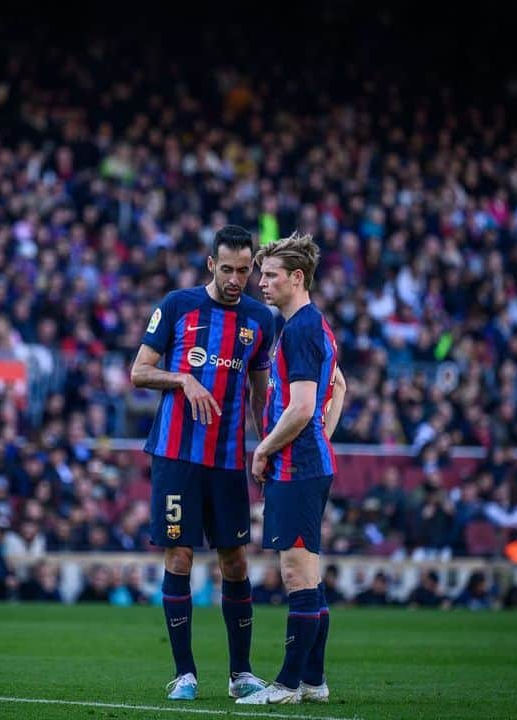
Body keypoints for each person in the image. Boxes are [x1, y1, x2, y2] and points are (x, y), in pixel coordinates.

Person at [130, 225, 274, 701]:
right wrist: (183, 381)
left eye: (245, 270)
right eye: (227, 269)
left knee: (234, 561)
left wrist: (266, 447)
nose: (236, 278)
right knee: (180, 555)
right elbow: (139, 372)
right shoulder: (177, 305)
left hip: (228, 460)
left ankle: (241, 674)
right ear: (211, 265)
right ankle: (185, 673)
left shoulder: (260, 320)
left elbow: (257, 395)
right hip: (176, 456)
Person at [238, 232, 347, 706]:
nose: (261, 282)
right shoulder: (312, 325)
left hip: (296, 468)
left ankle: (284, 685)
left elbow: (303, 407)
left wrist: (264, 448)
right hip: (309, 462)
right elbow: (339, 387)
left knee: (297, 577)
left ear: (296, 277)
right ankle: (313, 682)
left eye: (270, 275)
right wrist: (324, 435)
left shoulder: (301, 328)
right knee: (310, 576)